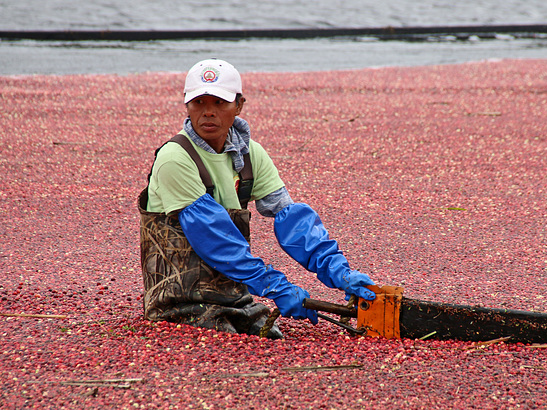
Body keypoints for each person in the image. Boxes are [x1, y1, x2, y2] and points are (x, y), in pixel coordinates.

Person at [138, 58, 376, 338]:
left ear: (238, 105)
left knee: (271, 338)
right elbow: (213, 237)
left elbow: (291, 220)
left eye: (219, 103)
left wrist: (337, 270)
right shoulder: (175, 158)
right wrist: (276, 286)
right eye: (199, 103)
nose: (208, 113)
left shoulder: (250, 155)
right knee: (221, 342)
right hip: (177, 302)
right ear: (187, 105)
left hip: (234, 297)